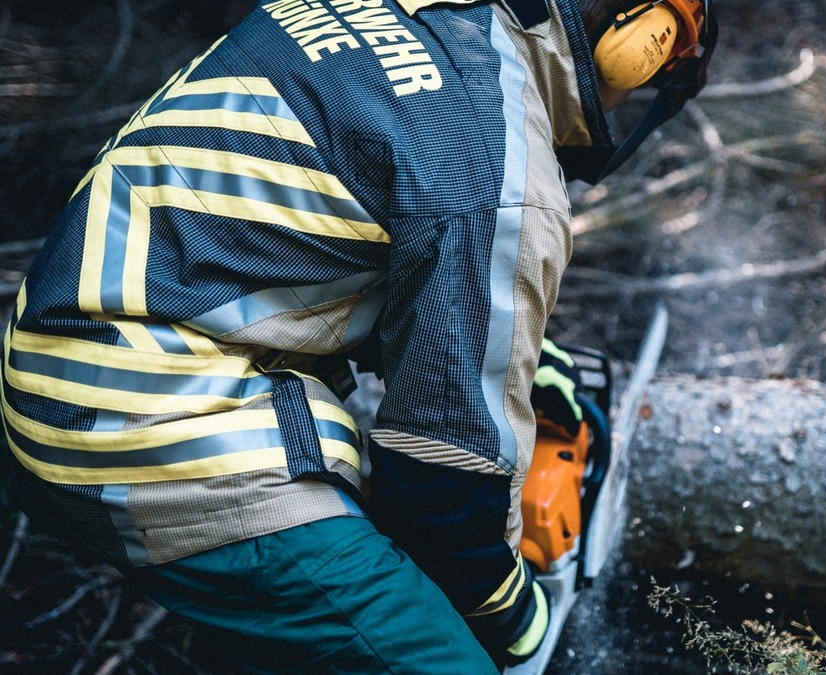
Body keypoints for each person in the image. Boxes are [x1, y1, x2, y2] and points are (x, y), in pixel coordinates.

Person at [0, 0, 715, 672]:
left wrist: (507, 359)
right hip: (149, 437)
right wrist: (519, 616)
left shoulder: (363, 10)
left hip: (46, 370)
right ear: (640, 41)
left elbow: (295, 232)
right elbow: (439, 490)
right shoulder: (500, 170)